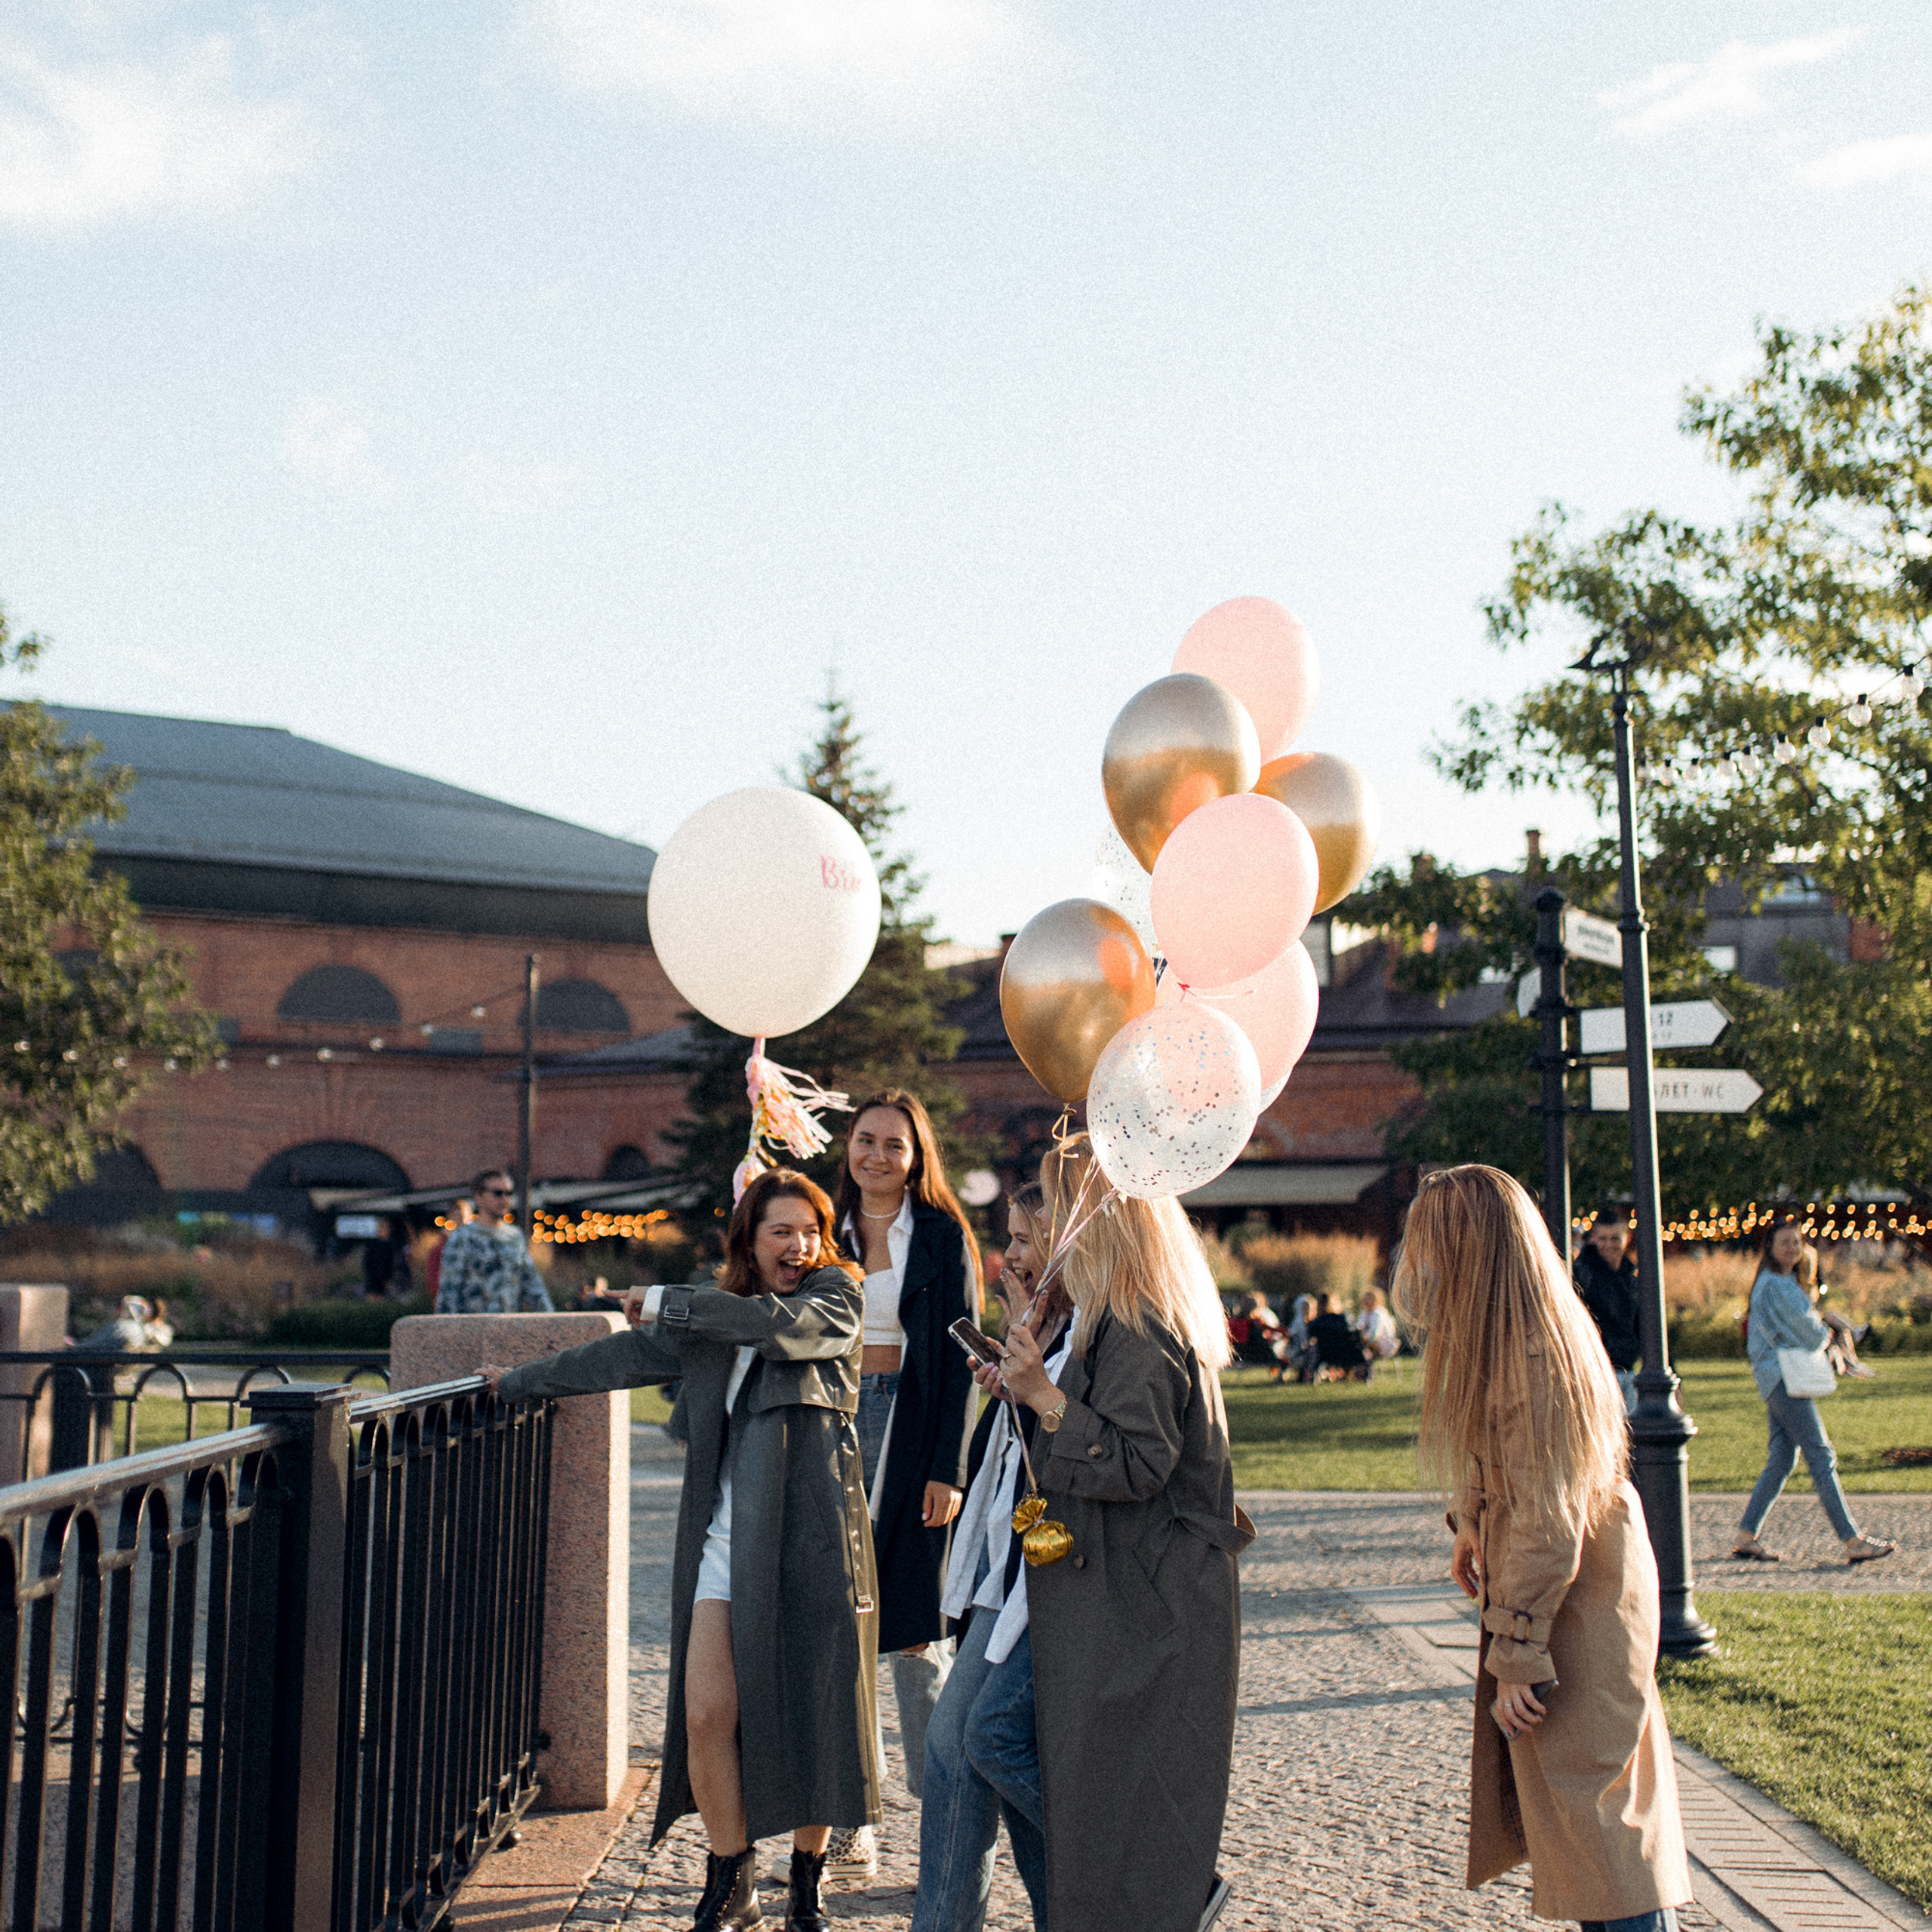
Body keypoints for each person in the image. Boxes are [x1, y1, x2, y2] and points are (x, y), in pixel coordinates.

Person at [488, 1170, 881, 1932]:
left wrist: (671, 1299)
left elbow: (779, 1326)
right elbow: (620, 1359)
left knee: (815, 1705)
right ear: (749, 1239)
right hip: (725, 1540)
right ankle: (731, 1878)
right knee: (706, 1712)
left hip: (813, 1541)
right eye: (781, 1231)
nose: (799, 1244)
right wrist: (518, 1382)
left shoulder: (835, 1297)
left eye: (810, 1229)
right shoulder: (712, 1319)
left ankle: (806, 1880)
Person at [1391, 1163, 1693, 1932]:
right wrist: (1468, 1517)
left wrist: (1519, 1651)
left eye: (1432, 1246)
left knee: (1602, 1838)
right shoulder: (1524, 1334)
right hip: (1583, 1588)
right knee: (1593, 1830)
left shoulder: (1529, 1350)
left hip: (1574, 1603)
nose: (1420, 1264)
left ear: (1473, 1250)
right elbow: (1522, 1472)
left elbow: (1546, 1513)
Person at [983, 1134, 1251, 1932]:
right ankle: (1145, 1888)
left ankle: (1173, 1886)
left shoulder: (1141, 1320)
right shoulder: (1112, 1313)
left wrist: (1043, 1396)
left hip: (1145, 1599)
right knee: (1093, 1779)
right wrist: (1025, 1383)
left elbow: (1134, 1461)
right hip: (1122, 1591)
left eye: (1054, 1213)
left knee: (1097, 1777)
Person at [824, 1090, 979, 1884]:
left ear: (918, 1157)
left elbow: (960, 1360)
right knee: (843, 1629)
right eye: (865, 1140)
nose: (877, 1155)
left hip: (912, 1436)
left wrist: (948, 1467)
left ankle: (941, 1825)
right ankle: (852, 1819)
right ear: (847, 1147)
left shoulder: (944, 1236)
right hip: (832, 1429)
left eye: (894, 1144)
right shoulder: (821, 1230)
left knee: (917, 1640)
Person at [912, 1183, 1069, 1932]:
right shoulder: (1046, 1324)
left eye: (1027, 1239)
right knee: (975, 1755)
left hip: (1044, 1577)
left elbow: (1082, 1454)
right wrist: (1010, 1387)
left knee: (969, 1744)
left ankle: (1150, 1866)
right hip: (1005, 1572)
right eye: (1010, 1236)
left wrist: (1032, 1388)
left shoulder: (1094, 1332)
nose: (1011, 1253)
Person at [1734, 1220, 1896, 1565]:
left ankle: (1746, 1535)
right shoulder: (1777, 1286)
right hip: (1784, 1377)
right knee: (1821, 1455)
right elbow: (1809, 1334)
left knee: (1781, 1459)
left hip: (1775, 1376)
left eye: (1796, 1242)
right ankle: (1852, 1540)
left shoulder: (1778, 1282)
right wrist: (1832, 1330)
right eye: (1784, 1243)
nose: (1792, 1248)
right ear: (1771, 1247)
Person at [436, 1170, 553, 1314]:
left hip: (509, 1329)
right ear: (479, 1197)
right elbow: (449, 1292)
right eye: (497, 1193)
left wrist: (551, 1321)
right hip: (472, 1329)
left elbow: (533, 1286)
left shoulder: (514, 1237)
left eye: (509, 1193)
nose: (504, 1199)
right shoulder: (462, 1238)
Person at [1574, 1210, 1641, 1413]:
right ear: (1593, 1239)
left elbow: (1647, 1326)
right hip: (1597, 1373)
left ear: (1627, 1238)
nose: (1609, 1245)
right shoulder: (1582, 1275)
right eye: (1602, 1239)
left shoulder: (1630, 1277)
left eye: (1615, 1238)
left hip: (1628, 1372)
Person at [1308, 1291, 1371, 1380]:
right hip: (1347, 1353)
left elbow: (1310, 1337)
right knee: (1363, 1350)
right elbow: (1353, 1333)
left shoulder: (1316, 1322)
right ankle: (1366, 1377)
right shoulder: (1342, 1318)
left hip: (1325, 1354)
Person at [1355, 1287, 1400, 1361]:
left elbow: (1375, 1334)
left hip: (1384, 1344)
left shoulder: (1378, 1313)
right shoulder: (1365, 1313)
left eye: (1369, 1299)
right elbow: (1359, 1327)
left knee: (1362, 1347)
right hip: (1372, 1343)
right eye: (1365, 1299)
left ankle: (1365, 1368)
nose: (1366, 1301)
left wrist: (1363, 1336)